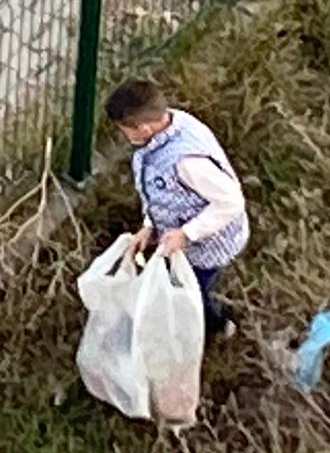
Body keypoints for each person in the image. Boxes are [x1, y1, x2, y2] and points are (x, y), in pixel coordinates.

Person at [104, 79, 248, 338]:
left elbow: (231, 202)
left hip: (208, 245)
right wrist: (150, 225)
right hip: (180, 235)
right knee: (182, 287)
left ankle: (213, 327)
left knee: (192, 293)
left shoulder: (186, 161)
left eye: (123, 129)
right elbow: (159, 193)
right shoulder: (169, 127)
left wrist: (187, 234)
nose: (122, 135)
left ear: (144, 128)